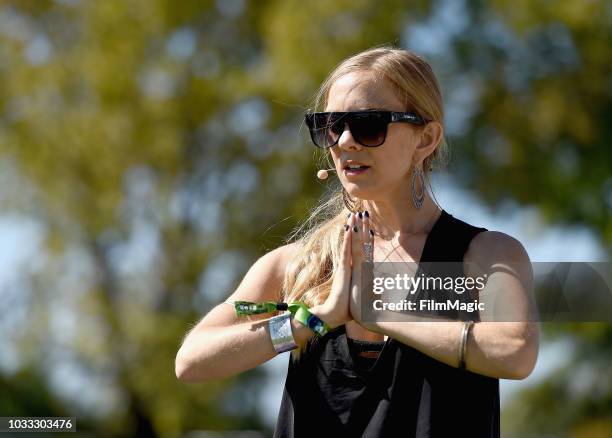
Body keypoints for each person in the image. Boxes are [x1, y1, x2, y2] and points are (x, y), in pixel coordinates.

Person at [175, 46, 540, 437]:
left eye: (369, 124)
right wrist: (312, 322)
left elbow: (516, 353)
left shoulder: (486, 256)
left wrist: (383, 315)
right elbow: (192, 361)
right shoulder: (295, 265)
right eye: (332, 125)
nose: (346, 141)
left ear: (426, 138)